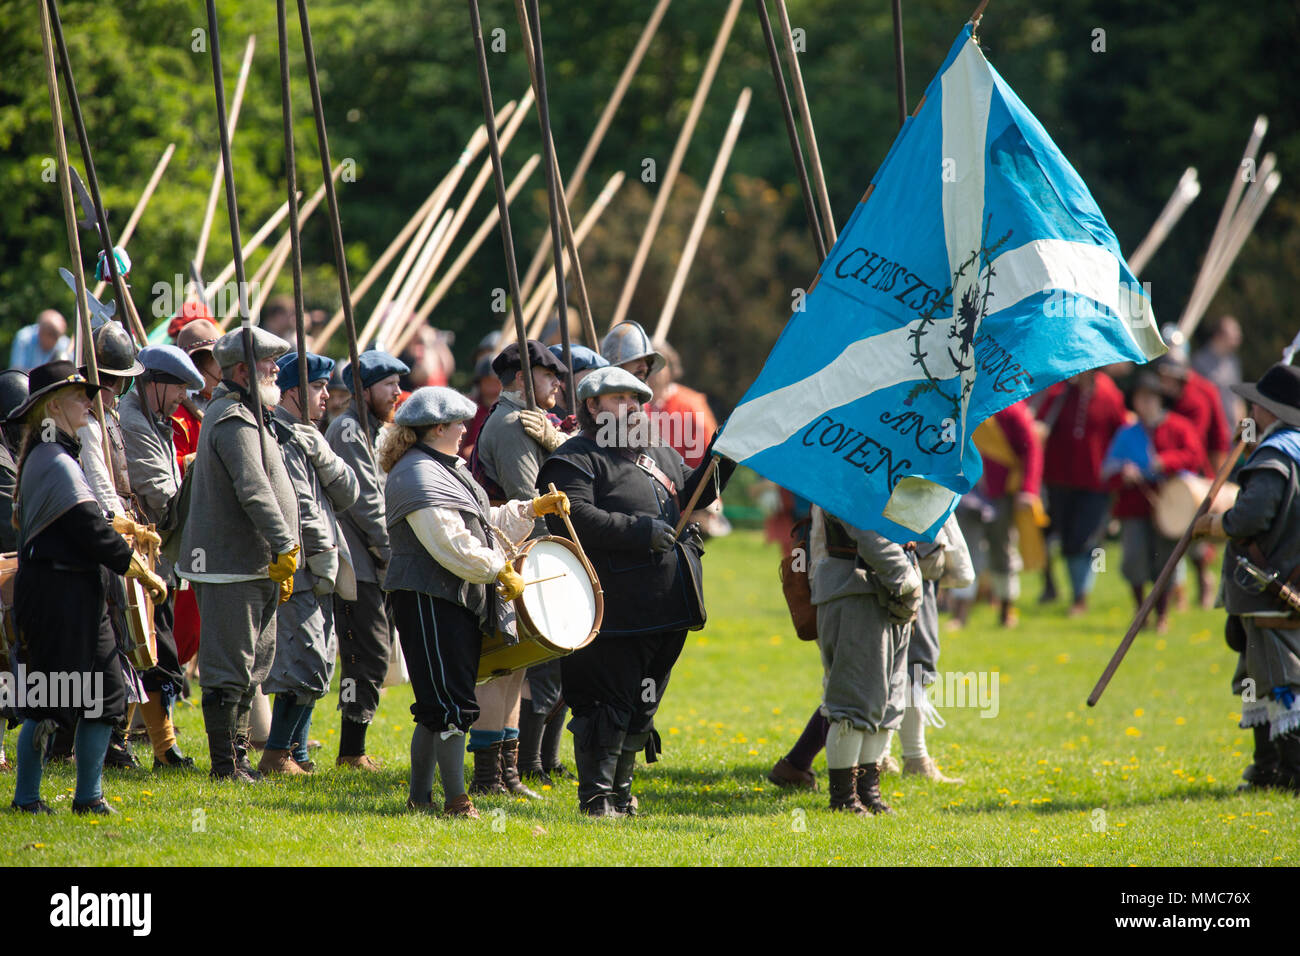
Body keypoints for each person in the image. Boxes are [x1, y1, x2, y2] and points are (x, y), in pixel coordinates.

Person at [536, 366, 734, 816]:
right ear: (592, 406)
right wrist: (640, 531)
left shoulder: (658, 452)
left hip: (668, 605)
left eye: (635, 399)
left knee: (643, 706)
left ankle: (622, 795)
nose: (630, 407)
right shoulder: (573, 459)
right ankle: (595, 798)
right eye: (618, 398)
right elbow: (572, 519)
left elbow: (693, 495)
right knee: (608, 702)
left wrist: (725, 456)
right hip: (613, 607)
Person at [377, 385, 569, 817]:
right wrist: (498, 569)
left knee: (438, 707)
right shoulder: (417, 473)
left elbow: (484, 523)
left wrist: (531, 510)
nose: (466, 428)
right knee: (449, 705)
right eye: (459, 422)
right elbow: (450, 543)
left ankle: (419, 798)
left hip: (452, 597)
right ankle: (457, 800)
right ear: (437, 427)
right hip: (428, 598)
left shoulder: (448, 467)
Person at [6, 361, 167, 813]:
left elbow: (92, 520)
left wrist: (129, 532)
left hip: (81, 595)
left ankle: (89, 797)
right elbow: (88, 529)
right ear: (53, 405)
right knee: (49, 700)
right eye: (78, 396)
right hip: (55, 596)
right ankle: (27, 799)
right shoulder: (53, 459)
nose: (88, 402)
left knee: (106, 695)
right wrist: (142, 570)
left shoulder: (59, 454)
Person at [175, 327, 300, 781]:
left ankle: (240, 756)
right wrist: (285, 542)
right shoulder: (232, 418)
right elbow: (254, 491)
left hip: (255, 563)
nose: (275, 370)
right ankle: (225, 765)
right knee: (229, 668)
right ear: (244, 370)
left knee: (252, 666)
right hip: (231, 564)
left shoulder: (252, 413)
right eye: (267, 362)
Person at [1192, 362, 1300, 791]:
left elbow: (1250, 518)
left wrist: (1216, 525)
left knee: (1280, 682)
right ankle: (1267, 766)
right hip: (1282, 586)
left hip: (1267, 588)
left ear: (1267, 410)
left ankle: (1290, 772)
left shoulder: (1275, 455)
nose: (1249, 413)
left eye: (1255, 406)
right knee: (1257, 678)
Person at [471, 340, 570, 796]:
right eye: (549, 376)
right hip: (508, 551)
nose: (558, 383)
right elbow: (526, 499)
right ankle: (490, 776)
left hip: (517, 550)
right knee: (500, 666)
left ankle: (508, 773)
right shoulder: (512, 424)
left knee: (517, 666)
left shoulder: (525, 422)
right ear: (521, 380)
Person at [261, 351, 359, 775]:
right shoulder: (280, 436)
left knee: (320, 660)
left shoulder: (309, 436)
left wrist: (322, 452)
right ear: (293, 392)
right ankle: (277, 755)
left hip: (321, 565)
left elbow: (349, 493)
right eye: (318, 388)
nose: (327, 396)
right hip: (301, 566)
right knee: (302, 661)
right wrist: (321, 560)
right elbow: (300, 507)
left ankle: (296, 753)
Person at [119, 344, 207, 770]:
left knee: (154, 653)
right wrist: (200, 469)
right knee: (142, 650)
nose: (182, 398)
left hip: (160, 553)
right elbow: (160, 494)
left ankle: (162, 747)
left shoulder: (157, 418)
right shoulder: (134, 421)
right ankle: (121, 742)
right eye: (178, 389)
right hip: (141, 551)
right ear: (155, 383)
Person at [807, 504, 921, 814]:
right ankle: (843, 799)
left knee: (886, 701)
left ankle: (867, 793)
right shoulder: (844, 464)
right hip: (854, 588)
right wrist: (905, 578)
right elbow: (866, 527)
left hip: (888, 587)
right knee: (854, 701)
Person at [325, 349, 408, 770]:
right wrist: (390, 551)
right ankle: (350, 751)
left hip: (376, 560)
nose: (397, 390)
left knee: (373, 654)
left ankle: (353, 749)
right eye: (388, 383)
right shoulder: (348, 430)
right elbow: (365, 501)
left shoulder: (376, 428)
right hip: (358, 561)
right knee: (365, 654)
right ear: (364, 388)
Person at [1102, 372, 1207, 633]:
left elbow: (1194, 458)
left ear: (1160, 400)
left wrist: (1165, 462)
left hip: (1171, 507)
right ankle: (1141, 613)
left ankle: (1162, 615)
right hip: (1134, 508)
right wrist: (1124, 474)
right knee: (1134, 559)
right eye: (1141, 398)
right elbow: (1107, 471)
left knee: (1166, 562)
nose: (1145, 403)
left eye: (1150, 397)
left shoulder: (1179, 427)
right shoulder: (1126, 434)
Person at [1035, 370, 1128, 615]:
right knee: (1063, 540)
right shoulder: (1060, 391)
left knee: (1085, 541)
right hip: (1058, 480)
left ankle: (1080, 597)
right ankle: (1058, 589)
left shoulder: (1109, 393)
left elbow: (1122, 433)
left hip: (1096, 482)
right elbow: (1040, 424)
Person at [970, 400, 1044, 628]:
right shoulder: (967, 407)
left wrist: (1028, 489)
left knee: (1001, 548)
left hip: (1000, 492)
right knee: (967, 548)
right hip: (969, 491)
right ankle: (960, 608)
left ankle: (1005, 607)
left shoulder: (1011, 409)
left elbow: (1031, 448)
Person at [1191, 315, 1245, 430]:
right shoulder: (1199, 362)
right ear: (1218, 336)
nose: (1238, 337)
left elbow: (1238, 400)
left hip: (1231, 430)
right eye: (1233, 334)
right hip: (1211, 430)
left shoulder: (1233, 361)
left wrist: (1244, 435)